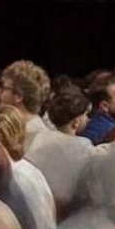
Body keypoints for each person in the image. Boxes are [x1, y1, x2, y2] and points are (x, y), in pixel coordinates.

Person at [24, 81, 93, 210]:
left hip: (34, 204)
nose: (88, 119)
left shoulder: (38, 137)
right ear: (76, 122)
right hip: (64, 213)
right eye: (86, 115)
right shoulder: (83, 146)